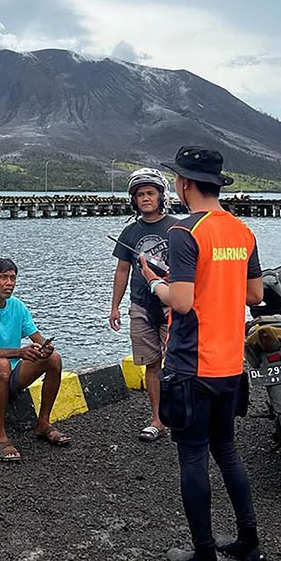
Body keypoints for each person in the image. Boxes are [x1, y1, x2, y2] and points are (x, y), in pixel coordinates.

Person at [137, 146, 266, 561]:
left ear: (185, 183)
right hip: (230, 364)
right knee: (226, 451)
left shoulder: (184, 232)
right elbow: (254, 294)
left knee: (192, 455)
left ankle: (204, 551)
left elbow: (183, 302)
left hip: (192, 364)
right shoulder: (242, 232)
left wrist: (157, 283)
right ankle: (248, 541)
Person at [0, 257, 71, 461]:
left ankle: (43, 423)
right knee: (2, 365)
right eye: (3, 277)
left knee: (54, 359)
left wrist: (45, 348)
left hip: (8, 372)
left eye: (13, 278)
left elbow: (37, 337)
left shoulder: (17, 307)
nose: (9, 283)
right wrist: (19, 352)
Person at [108, 167, 177, 442]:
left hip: (172, 304)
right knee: (151, 364)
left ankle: (183, 414)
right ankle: (157, 419)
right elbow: (122, 270)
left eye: (150, 193)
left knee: (179, 361)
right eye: (140, 195)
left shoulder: (177, 227)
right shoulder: (129, 232)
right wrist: (114, 306)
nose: (145, 198)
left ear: (162, 196)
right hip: (140, 306)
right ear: (133, 200)